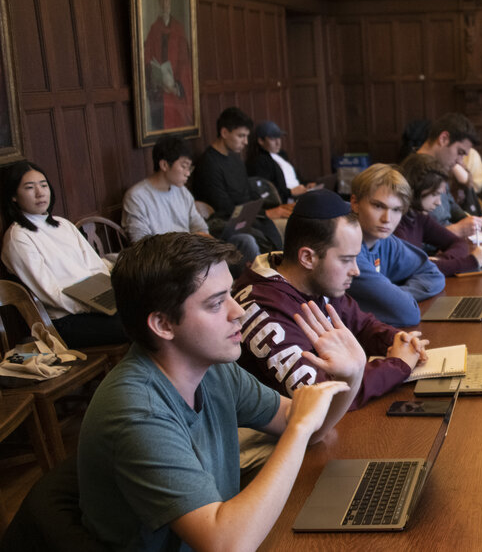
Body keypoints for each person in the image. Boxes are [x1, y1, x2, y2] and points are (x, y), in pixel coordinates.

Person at [78, 233, 363, 550]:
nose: (237, 311)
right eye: (216, 303)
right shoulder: (137, 412)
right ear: (163, 324)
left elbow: (311, 427)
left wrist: (353, 374)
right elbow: (226, 545)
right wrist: (299, 427)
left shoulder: (213, 368)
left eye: (230, 293)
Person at [235, 189, 427, 408]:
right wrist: (398, 364)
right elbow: (319, 395)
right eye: (346, 260)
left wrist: (399, 340)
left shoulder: (317, 281)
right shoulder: (263, 308)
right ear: (307, 257)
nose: (355, 270)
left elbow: (362, 325)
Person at [0, 161, 128, 348]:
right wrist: (93, 305)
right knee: (137, 326)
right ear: (13, 196)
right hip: (65, 321)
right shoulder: (18, 238)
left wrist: (108, 297)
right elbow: (50, 294)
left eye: (43, 185)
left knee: (151, 311)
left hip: (99, 304)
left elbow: (96, 266)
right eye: (29, 187)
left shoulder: (63, 224)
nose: (40, 192)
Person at [122, 135, 259, 262]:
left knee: (245, 241)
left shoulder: (181, 191)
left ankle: (259, 282)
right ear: (164, 165)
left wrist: (206, 242)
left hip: (193, 254)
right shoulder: (137, 197)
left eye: (189, 168)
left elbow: (200, 226)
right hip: (166, 261)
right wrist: (189, 243)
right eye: (183, 166)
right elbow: (141, 245)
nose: (188, 173)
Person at [347, 165, 445, 327]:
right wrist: (393, 298)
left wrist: (395, 294)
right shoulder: (347, 247)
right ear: (355, 203)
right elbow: (407, 314)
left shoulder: (385, 240)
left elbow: (433, 274)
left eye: (396, 210)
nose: (387, 219)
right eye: (378, 206)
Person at [192, 107, 286, 252]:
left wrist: (262, 211)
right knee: (261, 238)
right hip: (226, 224)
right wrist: (262, 213)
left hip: (247, 216)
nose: (246, 142)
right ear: (224, 133)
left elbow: (247, 192)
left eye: (246, 136)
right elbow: (222, 207)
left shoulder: (235, 156)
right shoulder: (208, 164)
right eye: (241, 136)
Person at [399, 112, 482, 237]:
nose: (460, 161)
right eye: (460, 152)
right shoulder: (411, 173)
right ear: (443, 138)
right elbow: (413, 237)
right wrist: (457, 230)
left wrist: (475, 221)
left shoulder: (439, 168)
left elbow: (452, 206)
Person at [395, 153, 482, 276]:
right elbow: (414, 269)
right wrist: (472, 261)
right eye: (434, 194)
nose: (438, 203)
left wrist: (439, 262)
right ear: (416, 190)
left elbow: (459, 243)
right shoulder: (396, 224)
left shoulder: (419, 217)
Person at [142, 0, 193, 131]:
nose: (165, 3)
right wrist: (156, 78)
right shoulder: (154, 29)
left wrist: (177, 86)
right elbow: (146, 59)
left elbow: (186, 62)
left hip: (175, 91)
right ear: (158, 2)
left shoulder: (178, 29)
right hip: (159, 93)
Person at [246, 120, 315, 204]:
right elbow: (266, 191)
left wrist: (307, 184)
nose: (278, 143)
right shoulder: (259, 161)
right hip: (285, 201)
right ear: (261, 141)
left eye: (279, 137)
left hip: (300, 195)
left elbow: (296, 178)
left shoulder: (282, 155)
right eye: (272, 139)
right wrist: (291, 192)